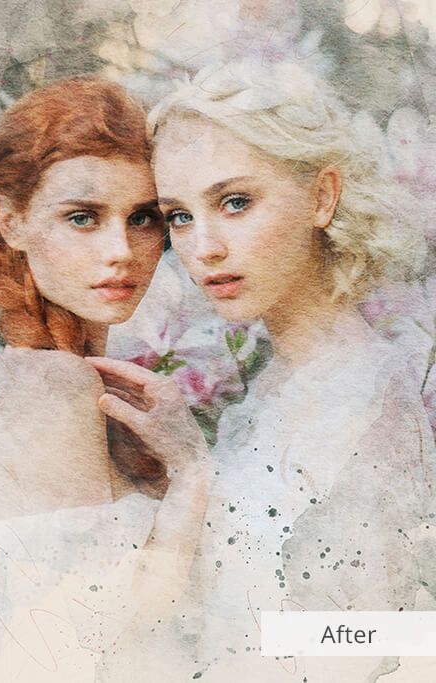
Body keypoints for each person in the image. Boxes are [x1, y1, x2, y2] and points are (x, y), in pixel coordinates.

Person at [111, 60, 436, 681]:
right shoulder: (278, 381)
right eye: (178, 215)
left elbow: (383, 648)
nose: (203, 247)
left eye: (235, 202)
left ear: (322, 196)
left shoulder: (371, 400)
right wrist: (188, 467)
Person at [0, 76, 211, 681]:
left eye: (142, 218)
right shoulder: (51, 387)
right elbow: (94, 642)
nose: (121, 251)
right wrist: (191, 475)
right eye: (82, 217)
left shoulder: (68, 375)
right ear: (12, 221)